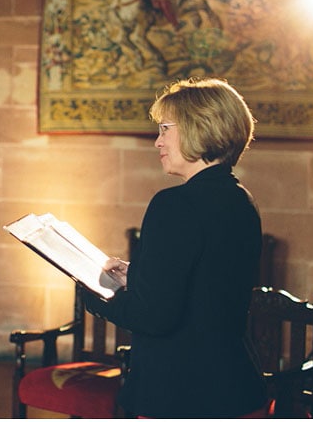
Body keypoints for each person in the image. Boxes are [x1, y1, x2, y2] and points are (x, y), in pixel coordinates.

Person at [83, 77, 267, 418]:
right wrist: (137, 278)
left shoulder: (175, 204)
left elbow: (153, 317)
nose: (158, 141)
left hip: (181, 394)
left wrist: (93, 294)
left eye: (165, 128)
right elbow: (203, 289)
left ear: (199, 127)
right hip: (231, 387)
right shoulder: (240, 198)